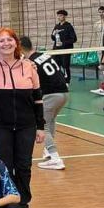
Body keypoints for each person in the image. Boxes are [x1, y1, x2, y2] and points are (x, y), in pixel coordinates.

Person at [0, 28, 45, 208]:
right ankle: (8, 205)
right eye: (1, 41)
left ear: (16, 43)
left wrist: (40, 126)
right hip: (0, 126)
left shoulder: (29, 66)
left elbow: (38, 98)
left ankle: (23, 205)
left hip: (26, 125)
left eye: (10, 40)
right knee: (5, 167)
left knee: (24, 166)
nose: (6, 43)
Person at [21, 36, 69, 171]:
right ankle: (49, 152)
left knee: (43, 126)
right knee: (50, 121)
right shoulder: (44, 55)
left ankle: (55, 158)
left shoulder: (30, 62)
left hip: (51, 95)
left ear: (20, 48)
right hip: (64, 93)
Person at [50, 9, 77, 83]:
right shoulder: (56, 26)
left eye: (61, 15)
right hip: (56, 50)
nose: (59, 17)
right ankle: (59, 80)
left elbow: (74, 39)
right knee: (56, 65)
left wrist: (63, 43)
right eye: (58, 16)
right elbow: (53, 38)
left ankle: (67, 81)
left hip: (65, 50)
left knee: (65, 66)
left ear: (64, 16)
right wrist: (53, 34)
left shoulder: (69, 26)